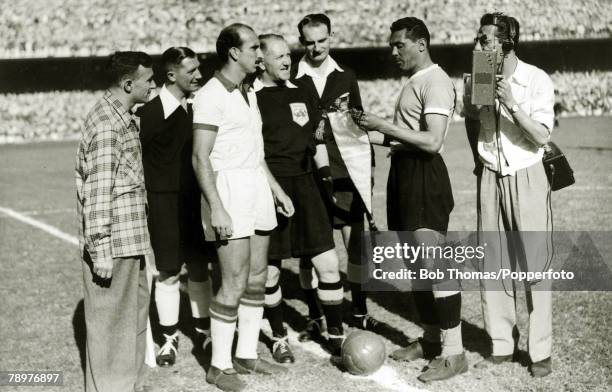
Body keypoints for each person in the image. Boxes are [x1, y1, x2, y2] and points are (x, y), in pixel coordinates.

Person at [352, 17, 466, 382]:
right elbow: (405, 138)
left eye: (399, 44)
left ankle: (454, 352)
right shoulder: (414, 82)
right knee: (417, 268)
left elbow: (432, 141)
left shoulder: (435, 81)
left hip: (424, 175)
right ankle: (433, 340)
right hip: (403, 173)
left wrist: (382, 125)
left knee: (434, 264)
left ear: (421, 43)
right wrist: (359, 132)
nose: (393, 51)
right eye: (391, 45)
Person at [192, 23, 294, 392]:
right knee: (233, 282)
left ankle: (247, 354)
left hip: (255, 187)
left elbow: (256, 154)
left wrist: (276, 189)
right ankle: (219, 365)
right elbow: (200, 157)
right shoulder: (210, 96)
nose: (259, 53)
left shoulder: (247, 93)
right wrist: (216, 208)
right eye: (253, 47)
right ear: (234, 52)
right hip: (228, 190)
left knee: (257, 277)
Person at [464, 13, 555, 378]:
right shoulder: (479, 74)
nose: (478, 46)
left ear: (506, 42)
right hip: (490, 175)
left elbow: (542, 136)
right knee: (493, 262)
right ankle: (501, 342)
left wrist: (512, 103)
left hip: (526, 174)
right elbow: (473, 120)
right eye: (479, 38)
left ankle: (540, 350)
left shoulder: (535, 79)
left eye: (485, 40)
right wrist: (478, 160)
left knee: (535, 264)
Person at [255, 34, 345, 362]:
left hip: (308, 187)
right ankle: (279, 337)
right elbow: (254, 153)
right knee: (271, 272)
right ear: (260, 61)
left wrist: (326, 180)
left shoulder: (303, 90)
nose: (285, 61)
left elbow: (317, 140)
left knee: (328, 263)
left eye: (287, 55)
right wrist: (273, 191)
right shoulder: (251, 96)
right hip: (271, 188)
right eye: (277, 56)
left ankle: (336, 335)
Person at [292, 13, 377, 340]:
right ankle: (314, 314)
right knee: (309, 251)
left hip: (345, 174)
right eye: (309, 42)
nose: (316, 48)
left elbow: (358, 126)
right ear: (302, 42)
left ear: (331, 37)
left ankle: (359, 310)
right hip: (306, 175)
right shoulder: (292, 79)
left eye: (322, 41)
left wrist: (365, 173)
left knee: (354, 246)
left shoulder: (346, 76)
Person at [75, 51, 156, 392]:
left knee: (132, 320)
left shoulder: (118, 115)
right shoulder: (109, 124)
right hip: (115, 244)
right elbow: (97, 191)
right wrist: (102, 250)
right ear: (127, 84)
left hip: (130, 239)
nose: (154, 85)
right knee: (111, 327)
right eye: (148, 80)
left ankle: (130, 385)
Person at [136, 47, 213, 367]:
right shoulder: (149, 114)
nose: (198, 75)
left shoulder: (202, 108)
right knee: (169, 271)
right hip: (163, 202)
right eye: (191, 71)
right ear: (171, 75)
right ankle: (168, 337)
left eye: (198, 69)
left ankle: (205, 332)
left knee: (199, 267)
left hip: (197, 201)